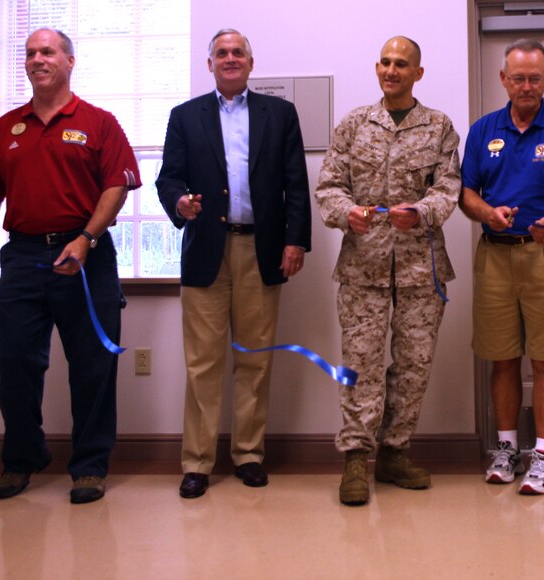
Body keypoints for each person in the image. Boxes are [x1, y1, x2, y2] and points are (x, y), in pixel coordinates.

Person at [0, 28, 141, 504]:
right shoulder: (7, 128)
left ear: (69, 60)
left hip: (86, 256)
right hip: (22, 258)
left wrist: (86, 239)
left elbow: (117, 186)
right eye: (30, 53)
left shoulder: (98, 122)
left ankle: (89, 466)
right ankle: (22, 458)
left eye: (47, 51)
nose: (37, 59)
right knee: (16, 363)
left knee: (92, 366)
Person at [157, 29, 311, 499]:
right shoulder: (184, 117)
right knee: (202, 363)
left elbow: (296, 184)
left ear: (250, 62)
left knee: (254, 360)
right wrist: (179, 203)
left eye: (237, 53)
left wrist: (295, 241)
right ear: (209, 64)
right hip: (205, 248)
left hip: (260, 250)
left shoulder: (279, 114)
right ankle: (197, 462)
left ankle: (248, 455)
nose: (229, 59)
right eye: (221, 53)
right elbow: (168, 179)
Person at [315, 36, 460, 506]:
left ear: (418, 73)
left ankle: (396, 452)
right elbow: (329, 186)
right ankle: (356, 458)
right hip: (363, 265)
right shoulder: (355, 124)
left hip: (422, 267)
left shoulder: (438, 127)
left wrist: (421, 210)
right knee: (360, 366)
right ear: (377, 68)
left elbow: (449, 188)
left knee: (413, 366)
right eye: (385, 62)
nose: (391, 70)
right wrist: (346, 213)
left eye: (402, 64)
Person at [460, 39, 544, 496]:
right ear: (503, 79)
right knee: (501, 358)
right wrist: (487, 213)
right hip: (496, 253)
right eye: (517, 77)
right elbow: (467, 192)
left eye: (534, 78)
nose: (526, 86)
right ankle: (505, 450)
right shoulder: (483, 131)